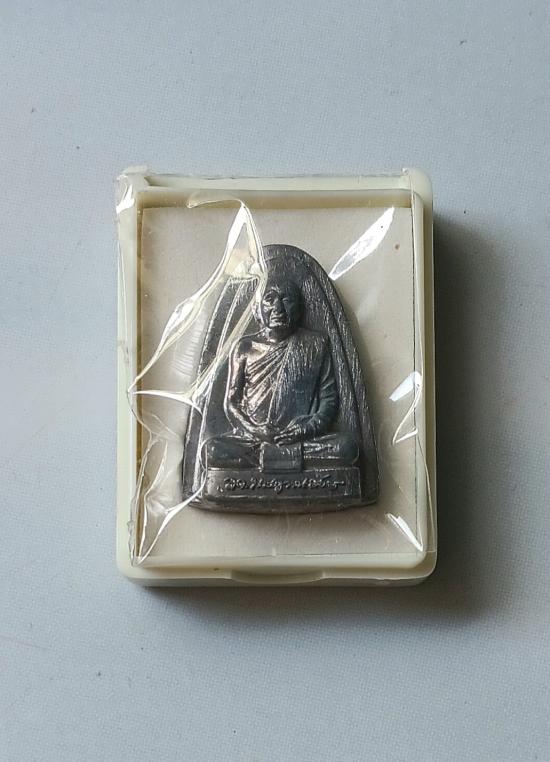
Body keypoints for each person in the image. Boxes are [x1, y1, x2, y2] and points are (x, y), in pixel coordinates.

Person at [205, 275, 358, 470]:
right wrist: (256, 430)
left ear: (299, 308)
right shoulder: (245, 347)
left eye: (286, 300)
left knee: (347, 449)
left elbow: (329, 400)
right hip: (255, 440)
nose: (278, 308)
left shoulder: (315, 344)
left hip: (302, 439)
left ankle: (271, 458)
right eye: (269, 299)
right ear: (257, 309)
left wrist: (307, 429)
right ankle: (275, 457)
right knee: (212, 451)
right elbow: (232, 402)